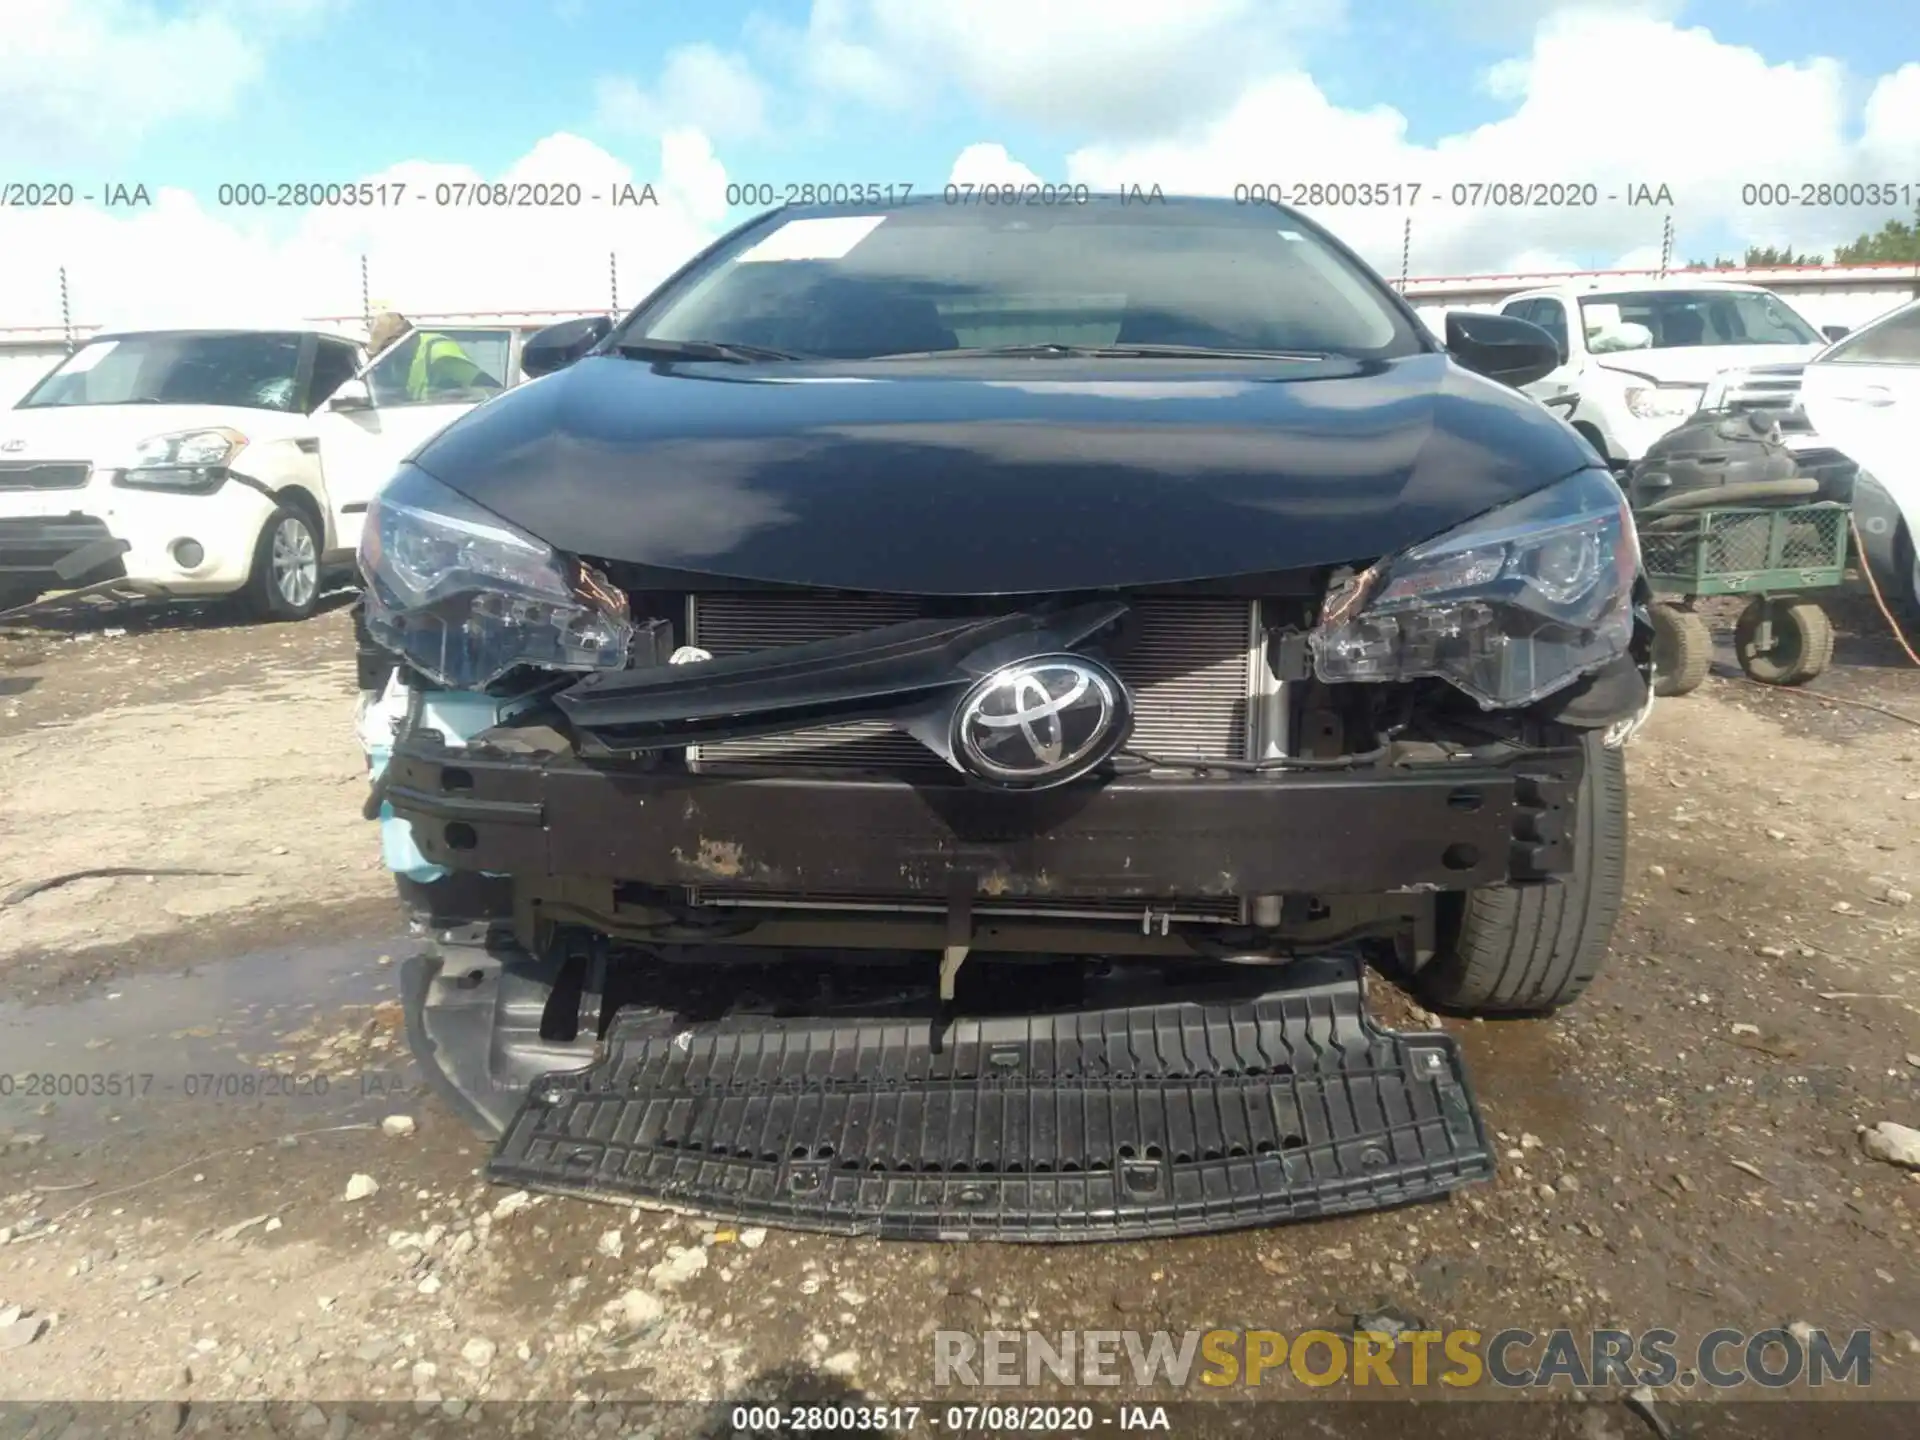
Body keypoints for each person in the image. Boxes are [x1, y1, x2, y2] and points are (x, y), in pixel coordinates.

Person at [366, 310, 496, 400]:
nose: (384, 355)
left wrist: (454, 395)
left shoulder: (438, 351)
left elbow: (490, 388)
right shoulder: (394, 360)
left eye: (385, 348)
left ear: (402, 339)